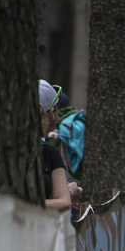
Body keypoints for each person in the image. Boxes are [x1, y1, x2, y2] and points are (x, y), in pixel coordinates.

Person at [38, 79, 81, 213]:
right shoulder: (49, 153)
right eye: (57, 109)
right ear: (51, 113)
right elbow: (63, 203)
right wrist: (70, 194)